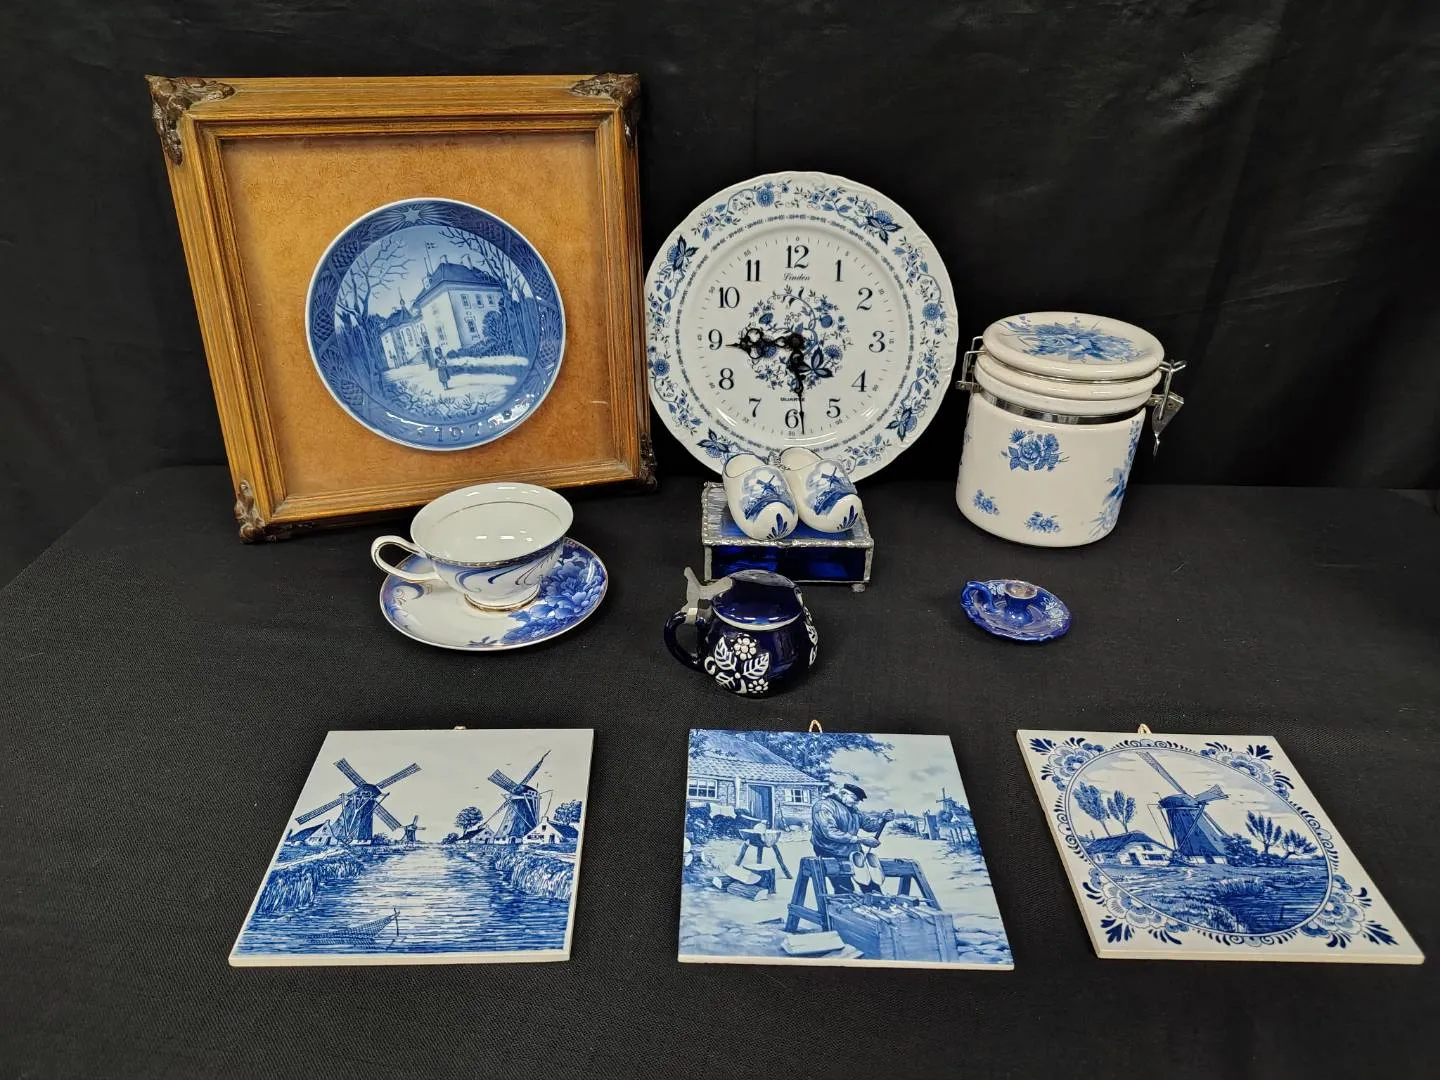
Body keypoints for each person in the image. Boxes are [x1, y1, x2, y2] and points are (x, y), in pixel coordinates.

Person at [810, 783, 894, 893]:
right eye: (855, 799)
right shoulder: (824, 806)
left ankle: (876, 901)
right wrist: (862, 840)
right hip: (830, 851)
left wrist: (882, 819)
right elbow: (830, 832)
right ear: (843, 793)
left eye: (858, 801)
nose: (857, 803)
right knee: (845, 889)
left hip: (853, 851)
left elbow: (870, 826)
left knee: (872, 887)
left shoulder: (854, 810)